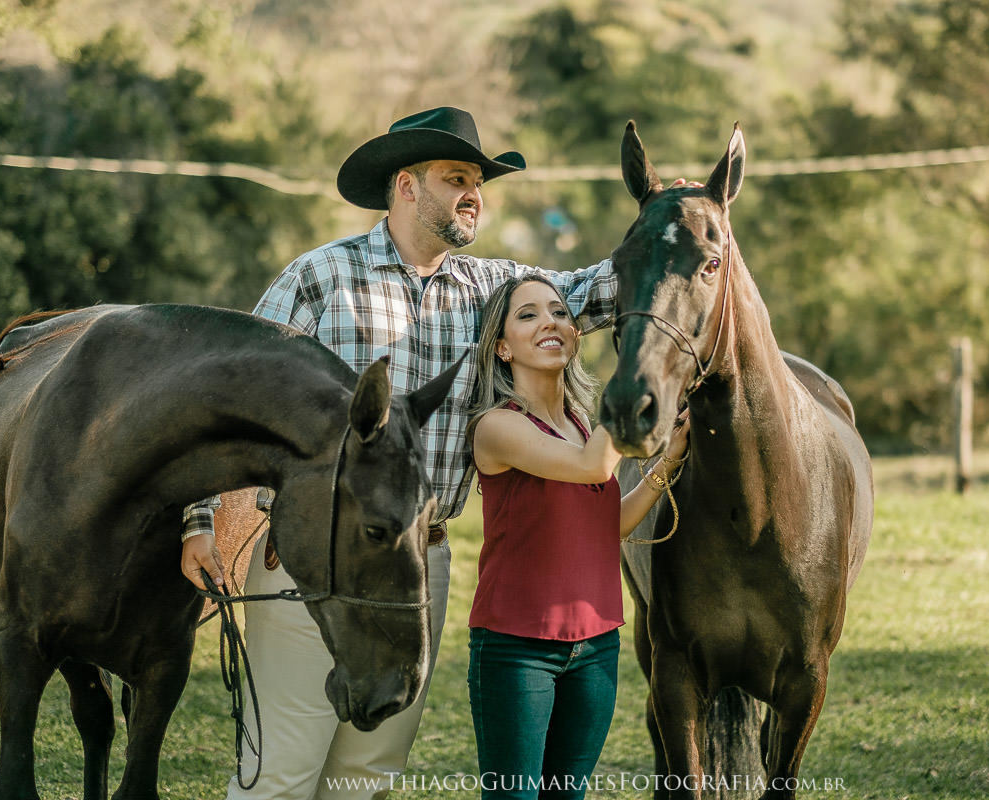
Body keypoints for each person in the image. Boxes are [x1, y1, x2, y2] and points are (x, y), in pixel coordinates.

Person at [179, 107, 619, 800]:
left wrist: (683, 220)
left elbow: (602, 289)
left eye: (478, 180)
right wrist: (199, 519)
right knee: (284, 770)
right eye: (457, 178)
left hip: (419, 561)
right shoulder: (322, 277)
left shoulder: (490, 292)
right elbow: (233, 396)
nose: (474, 193)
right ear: (406, 186)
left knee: (367, 775)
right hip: (311, 554)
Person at [465, 275, 690, 800]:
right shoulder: (497, 426)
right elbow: (592, 471)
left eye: (560, 312)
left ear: (574, 333)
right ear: (501, 347)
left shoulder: (583, 425)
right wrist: (644, 367)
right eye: (527, 315)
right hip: (516, 650)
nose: (550, 321)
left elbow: (603, 527)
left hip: (595, 647)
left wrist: (667, 462)